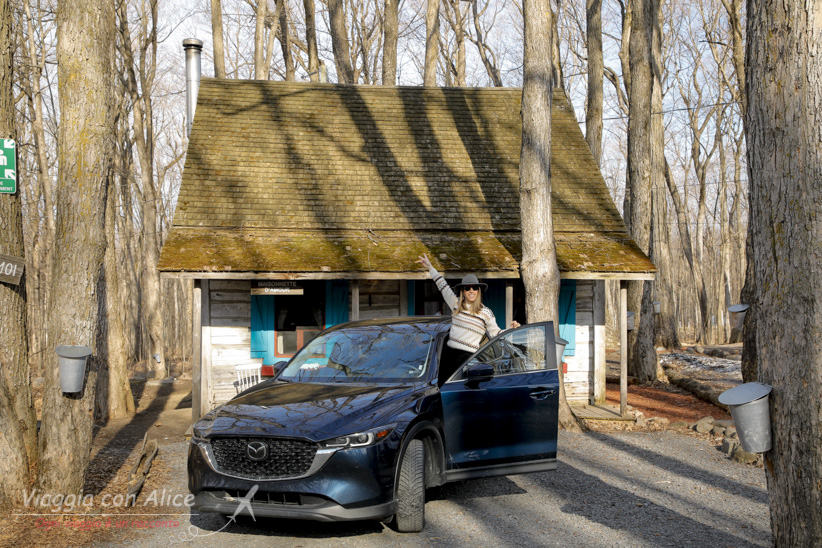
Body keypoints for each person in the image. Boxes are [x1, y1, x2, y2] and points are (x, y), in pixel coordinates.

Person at [418, 254, 520, 383]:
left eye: (474, 288)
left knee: (459, 391)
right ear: (463, 291)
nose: (471, 291)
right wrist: (430, 267)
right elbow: (442, 285)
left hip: (468, 358)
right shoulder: (455, 304)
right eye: (467, 288)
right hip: (448, 355)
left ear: (479, 291)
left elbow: (496, 334)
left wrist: (512, 330)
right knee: (442, 390)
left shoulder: (486, 313)